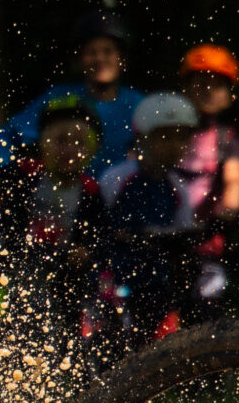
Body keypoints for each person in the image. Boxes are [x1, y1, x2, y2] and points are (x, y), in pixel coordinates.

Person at [90, 92, 213, 343]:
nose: (174, 145)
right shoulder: (117, 179)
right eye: (165, 137)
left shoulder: (177, 189)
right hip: (114, 282)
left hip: (157, 284)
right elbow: (96, 227)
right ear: (143, 138)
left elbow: (183, 236)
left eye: (182, 137)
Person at [0, 95, 106, 340]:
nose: (69, 150)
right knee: (1, 321)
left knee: (69, 332)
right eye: (60, 141)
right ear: (43, 143)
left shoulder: (90, 192)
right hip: (16, 271)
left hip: (64, 280)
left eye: (79, 143)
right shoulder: (24, 174)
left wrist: (86, 250)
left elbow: (101, 235)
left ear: (92, 149)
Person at [0, 9, 144, 169]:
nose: (99, 59)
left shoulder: (138, 105)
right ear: (79, 60)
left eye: (107, 51)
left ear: (122, 59)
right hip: (69, 191)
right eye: (91, 52)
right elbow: (7, 136)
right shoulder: (60, 98)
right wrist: (0, 171)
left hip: (121, 192)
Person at [171, 44, 239, 308]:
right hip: (160, 240)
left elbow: (234, 185)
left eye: (216, 85)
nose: (207, 90)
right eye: (201, 82)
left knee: (206, 309)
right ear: (186, 86)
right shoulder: (165, 131)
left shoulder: (227, 141)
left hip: (205, 246)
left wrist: (224, 214)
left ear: (228, 95)